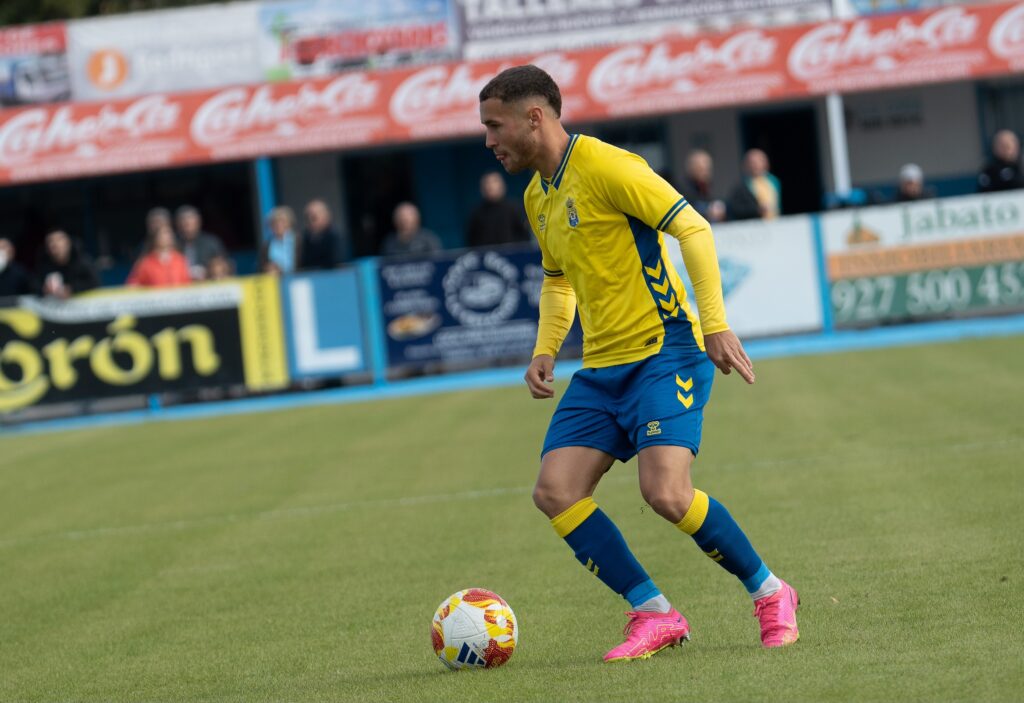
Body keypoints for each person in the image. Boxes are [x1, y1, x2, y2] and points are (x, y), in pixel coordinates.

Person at [479, 65, 798, 662]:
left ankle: (772, 593)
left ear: (534, 118)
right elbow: (557, 281)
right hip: (601, 370)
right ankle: (655, 613)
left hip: (664, 350)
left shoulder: (609, 167)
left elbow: (693, 228)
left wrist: (714, 324)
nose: (489, 141)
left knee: (667, 494)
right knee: (555, 491)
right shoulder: (536, 195)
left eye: (494, 127)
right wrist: (546, 348)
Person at [466, 171, 532, 247]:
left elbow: (524, 235)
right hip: (488, 256)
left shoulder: (514, 208)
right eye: (487, 184)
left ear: (502, 186)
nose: (490, 186)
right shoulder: (476, 212)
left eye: (494, 183)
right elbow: (472, 239)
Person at [36, 229, 100, 298]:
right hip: (54, 305)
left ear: (68, 242)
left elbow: (95, 282)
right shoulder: (44, 263)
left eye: (59, 240)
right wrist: (44, 289)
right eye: (50, 241)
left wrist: (72, 289)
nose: (55, 244)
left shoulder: (82, 260)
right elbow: (33, 283)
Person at [126, 223, 191, 287]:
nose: (166, 237)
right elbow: (133, 283)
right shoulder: (145, 263)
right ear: (155, 238)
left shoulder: (180, 260)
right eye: (162, 234)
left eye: (168, 234)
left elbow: (187, 282)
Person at [726, 149, 781, 220]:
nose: (756, 165)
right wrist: (757, 210)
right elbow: (735, 209)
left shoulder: (774, 181)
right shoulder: (741, 186)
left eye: (760, 161)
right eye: (752, 162)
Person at [175, 205, 226, 281]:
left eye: (190, 223)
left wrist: (208, 272)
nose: (188, 226)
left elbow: (224, 267)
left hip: (208, 284)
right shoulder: (173, 244)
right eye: (185, 223)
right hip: (181, 286)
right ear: (178, 225)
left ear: (198, 222)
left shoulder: (211, 242)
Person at [677, 150, 725, 223]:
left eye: (708, 169)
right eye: (701, 169)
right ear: (692, 169)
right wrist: (707, 212)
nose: (706, 173)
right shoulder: (683, 190)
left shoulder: (708, 187)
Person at [300, 199, 343, 270]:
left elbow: (335, 261)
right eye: (307, 218)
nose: (310, 221)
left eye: (314, 217)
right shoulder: (306, 238)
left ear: (325, 216)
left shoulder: (334, 236)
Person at [260, 206, 300, 276]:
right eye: (274, 223)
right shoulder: (267, 245)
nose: (278, 225)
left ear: (289, 223)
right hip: (275, 281)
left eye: (282, 222)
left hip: (296, 280)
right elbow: (260, 267)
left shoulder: (298, 241)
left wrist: (284, 269)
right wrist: (268, 268)